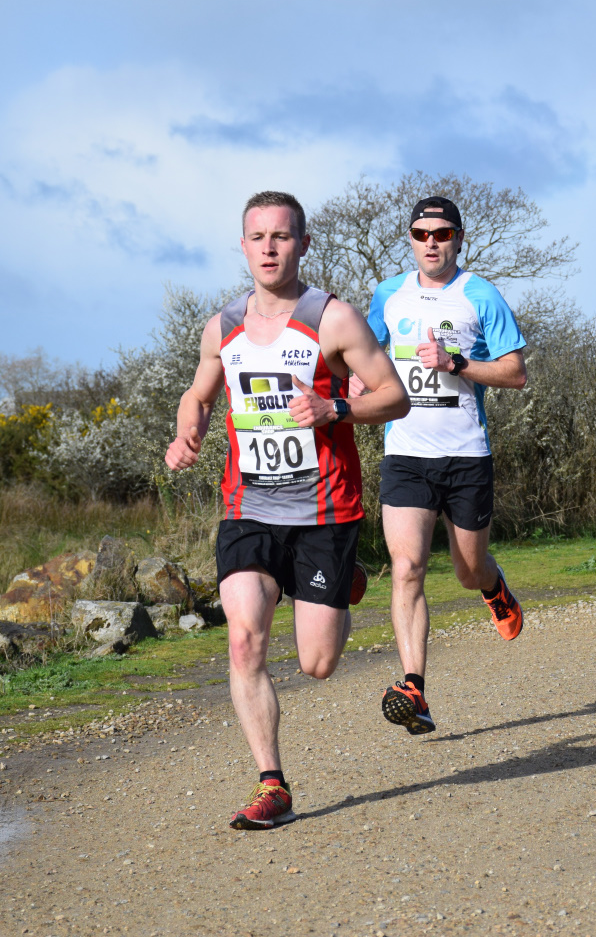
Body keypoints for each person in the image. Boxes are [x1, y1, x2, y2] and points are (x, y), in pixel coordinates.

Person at [165, 190, 409, 829]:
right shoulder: (222, 327)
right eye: (258, 237)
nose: (269, 248)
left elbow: (396, 396)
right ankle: (272, 784)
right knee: (244, 637)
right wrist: (188, 432)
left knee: (317, 664)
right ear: (243, 246)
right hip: (248, 506)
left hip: (324, 511)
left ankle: (343, 582)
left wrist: (337, 408)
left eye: (281, 236)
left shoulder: (334, 319)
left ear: (302, 243)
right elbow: (199, 394)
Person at [363, 195, 529, 735]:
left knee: (466, 570)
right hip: (406, 453)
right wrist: (352, 388)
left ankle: (493, 586)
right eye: (421, 234)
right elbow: (364, 357)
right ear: (410, 239)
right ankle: (414, 688)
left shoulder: (480, 294)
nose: (431, 242)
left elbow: (515, 372)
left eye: (442, 233)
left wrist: (456, 362)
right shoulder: (387, 294)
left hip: (465, 455)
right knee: (407, 567)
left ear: (459, 238)